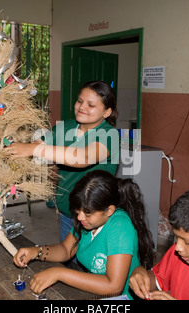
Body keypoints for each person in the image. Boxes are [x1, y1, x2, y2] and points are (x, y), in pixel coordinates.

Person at [7, 81, 120, 242]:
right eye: (80, 101)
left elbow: (83, 157)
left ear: (107, 112)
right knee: (67, 257)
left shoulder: (109, 135)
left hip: (95, 216)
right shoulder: (65, 127)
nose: (82, 107)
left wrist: (34, 150)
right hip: (68, 212)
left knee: (93, 262)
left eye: (91, 105)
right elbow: (37, 144)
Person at [13, 170, 154, 299]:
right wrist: (37, 251)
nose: (80, 217)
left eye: (87, 213)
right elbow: (66, 250)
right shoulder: (88, 221)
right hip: (93, 292)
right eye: (78, 211)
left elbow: (113, 287)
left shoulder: (120, 227)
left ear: (109, 210)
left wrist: (59, 273)